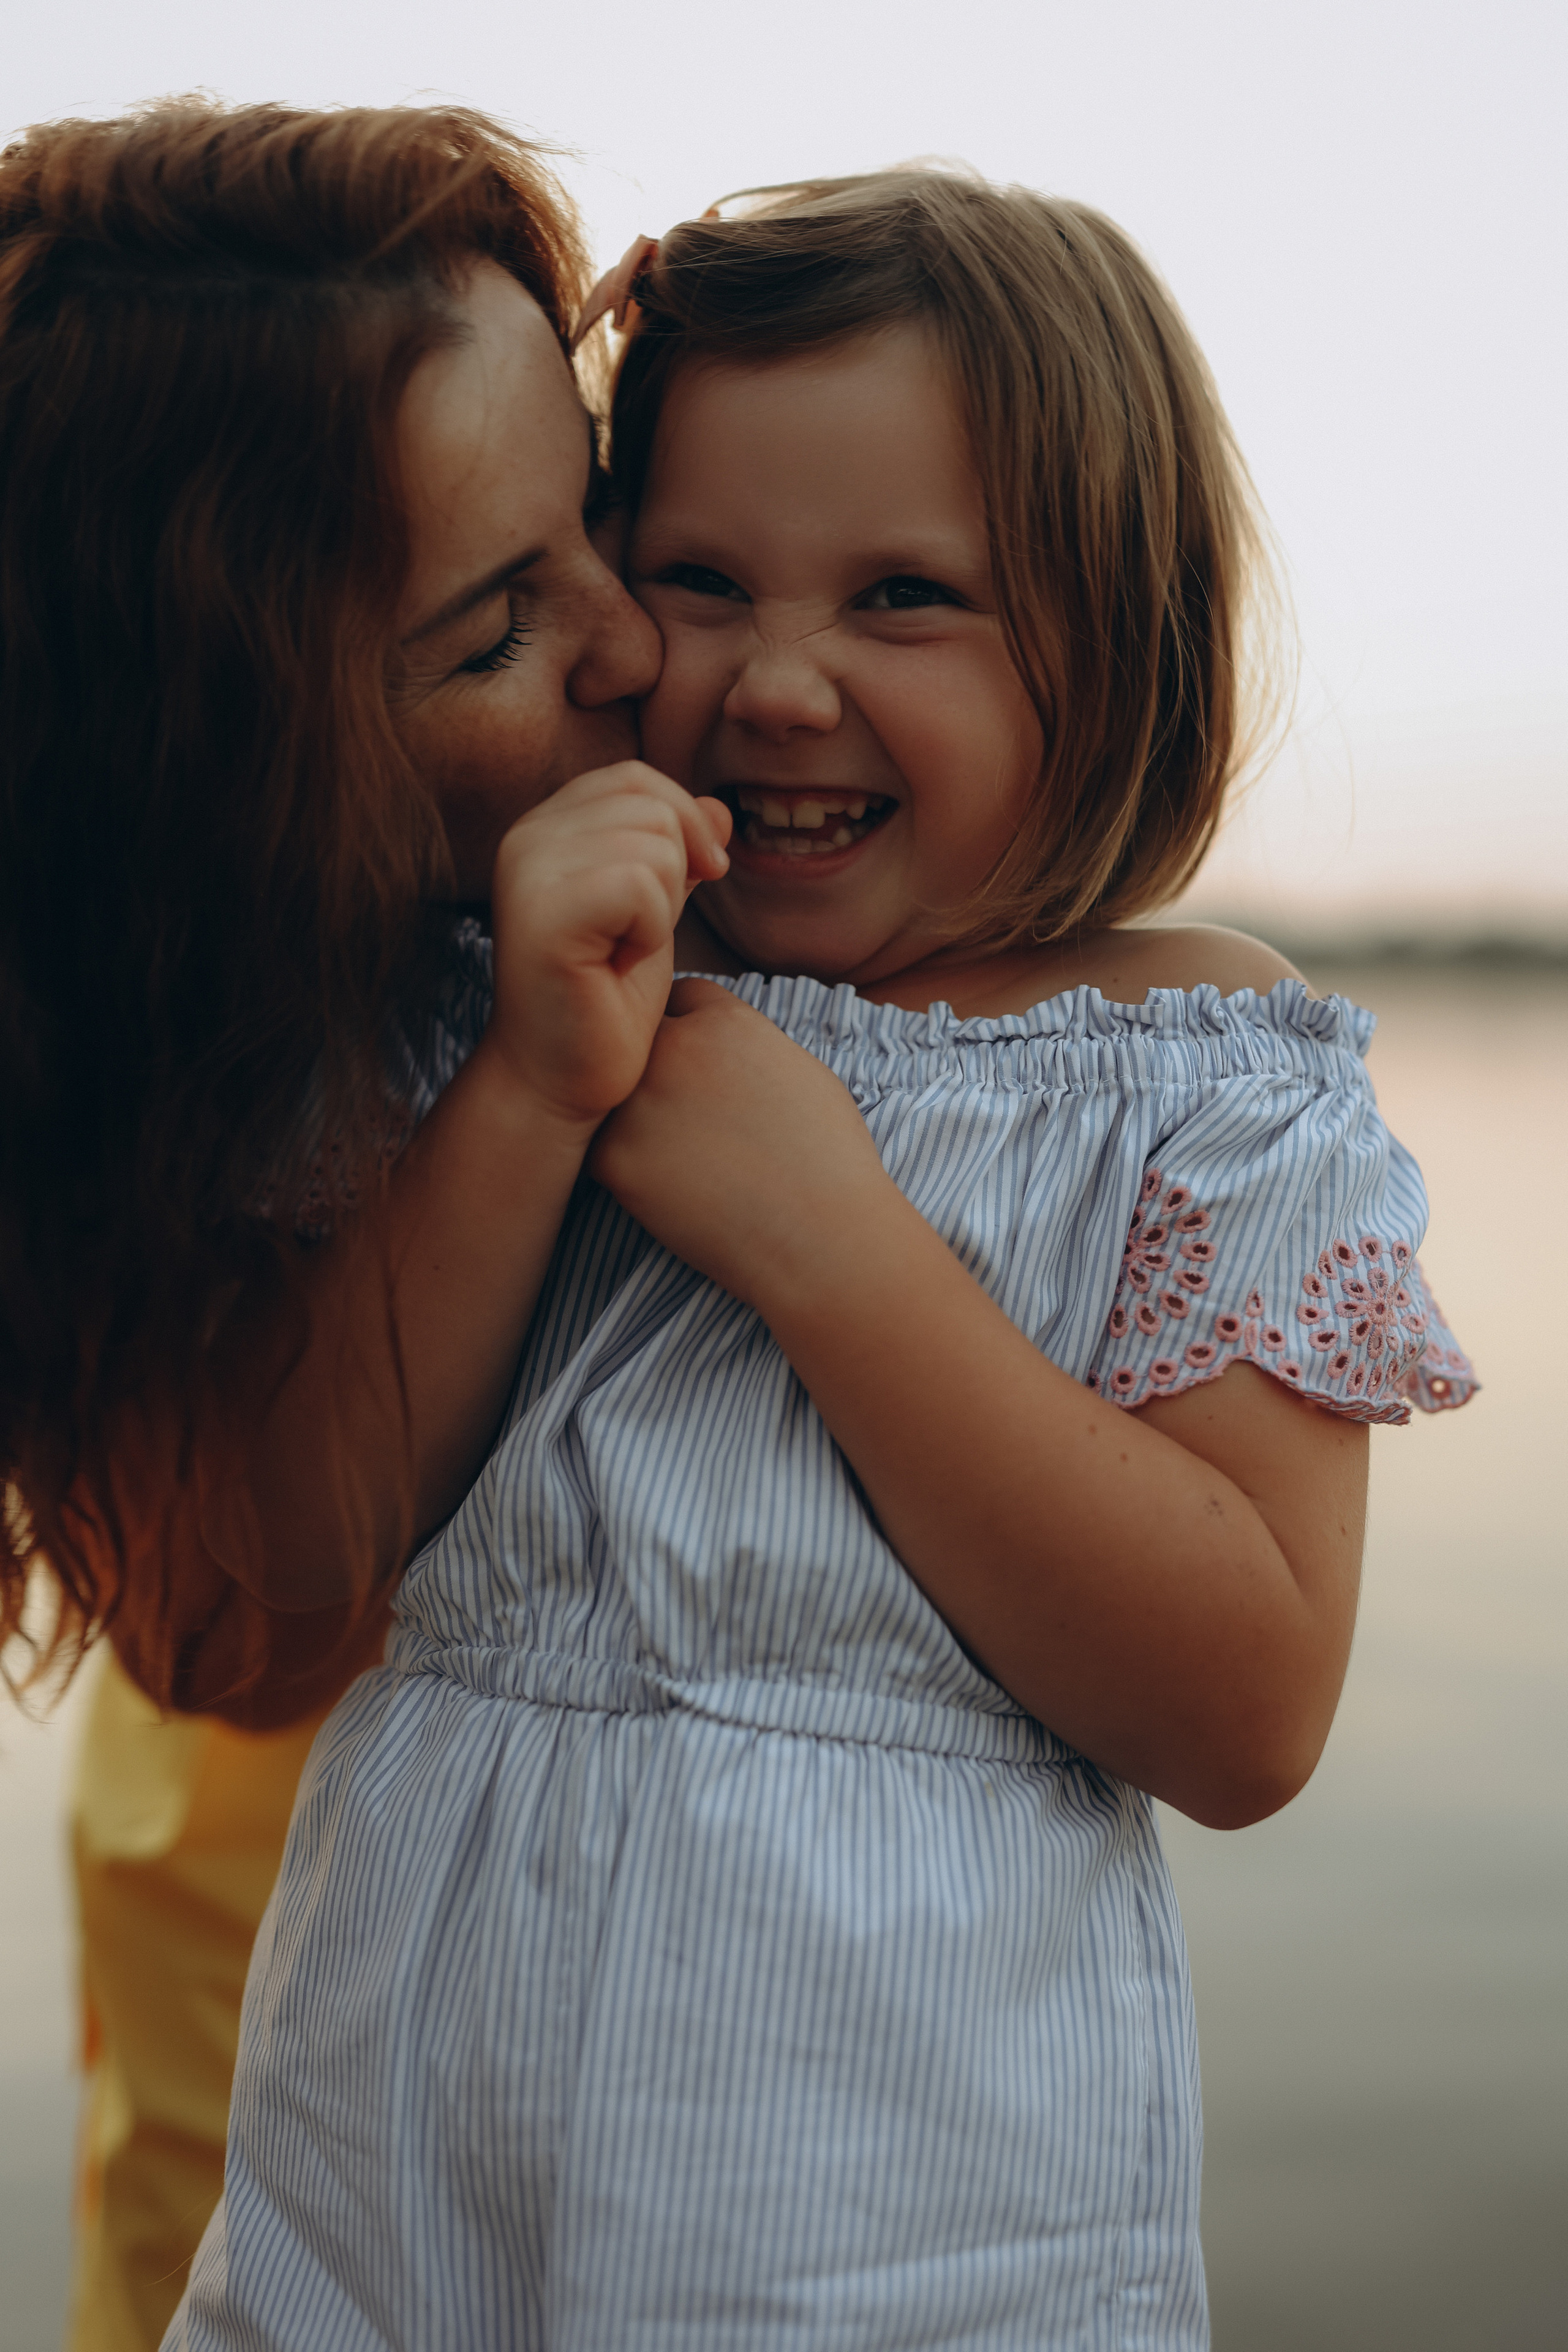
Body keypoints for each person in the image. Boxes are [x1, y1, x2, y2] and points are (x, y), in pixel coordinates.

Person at [162, 172, 1475, 2346]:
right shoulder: (498, 988)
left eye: (904, 598)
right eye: (693, 579)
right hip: (385, 2207)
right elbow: (289, 1553)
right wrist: (519, 1093)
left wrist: (837, 1247)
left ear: (1114, 636)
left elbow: (1245, 1708)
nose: (777, 683)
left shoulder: (1188, 1066)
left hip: (894, 2239)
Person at [0, 97, 724, 2348]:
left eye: (595, 506)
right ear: (226, 753)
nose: (636, 644)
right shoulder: (179, 1045)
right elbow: (232, 1631)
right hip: (284, 2045)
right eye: (502, 620)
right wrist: (519, 1085)